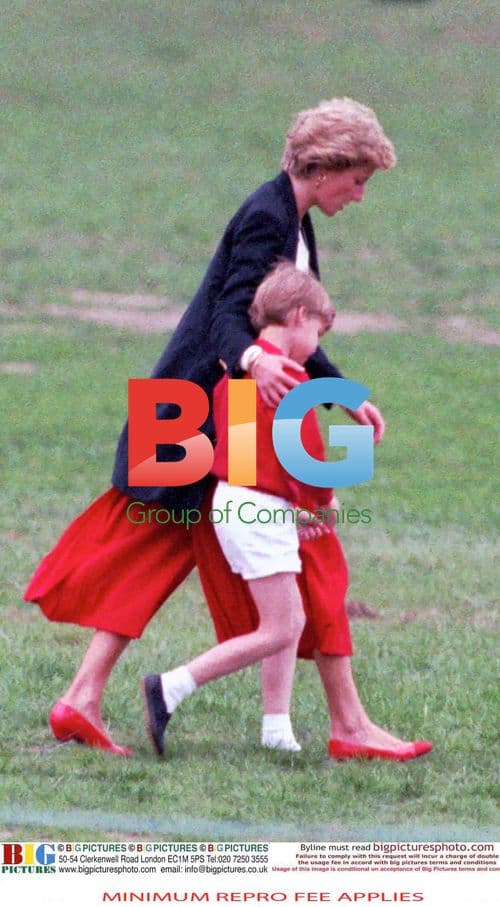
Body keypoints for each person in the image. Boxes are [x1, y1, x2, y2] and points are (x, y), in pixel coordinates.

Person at [25, 97, 394, 755]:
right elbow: (233, 317)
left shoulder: (295, 222)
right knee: (272, 542)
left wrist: (341, 395)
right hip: (204, 411)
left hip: (221, 412)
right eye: (358, 179)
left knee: (161, 545)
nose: (361, 195)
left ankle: (82, 696)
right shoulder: (268, 217)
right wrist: (253, 358)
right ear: (328, 163)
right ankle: (347, 725)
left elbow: (295, 328)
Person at [142, 263, 432, 762]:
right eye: (317, 333)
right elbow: (305, 450)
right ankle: (170, 687)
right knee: (280, 626)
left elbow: (243, 448)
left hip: (235, 502)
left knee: (288, 622)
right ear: (299, 316)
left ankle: (276, 728)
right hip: (257, 510)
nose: (313, 348)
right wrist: (323, 503)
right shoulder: (289, 375)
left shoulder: (239, 371)